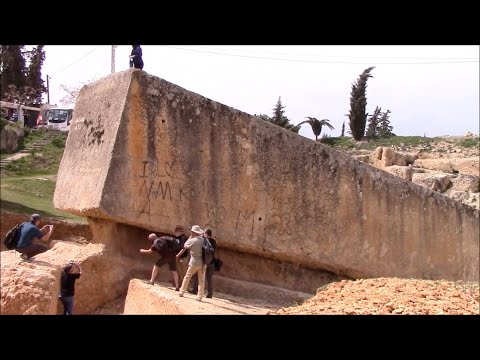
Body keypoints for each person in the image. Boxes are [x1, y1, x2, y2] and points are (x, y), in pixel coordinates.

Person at [177, 225, 206, 301]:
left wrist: (190, 237)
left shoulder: (193, 240)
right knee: (201, 280)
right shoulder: (203, 240)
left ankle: (182, 292)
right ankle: (200, 297)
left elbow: (185, 246)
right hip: (202, 262)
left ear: (193, 232)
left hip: (193, 262)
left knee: (187, 277)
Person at [190, 228, 217, 298]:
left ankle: (195, 289)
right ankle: (210, 293)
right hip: (212, 262)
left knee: (198, 276)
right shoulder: (214, 242)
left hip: (204, 262)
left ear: (206, 234)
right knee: (209, 278)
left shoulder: (205, 240)